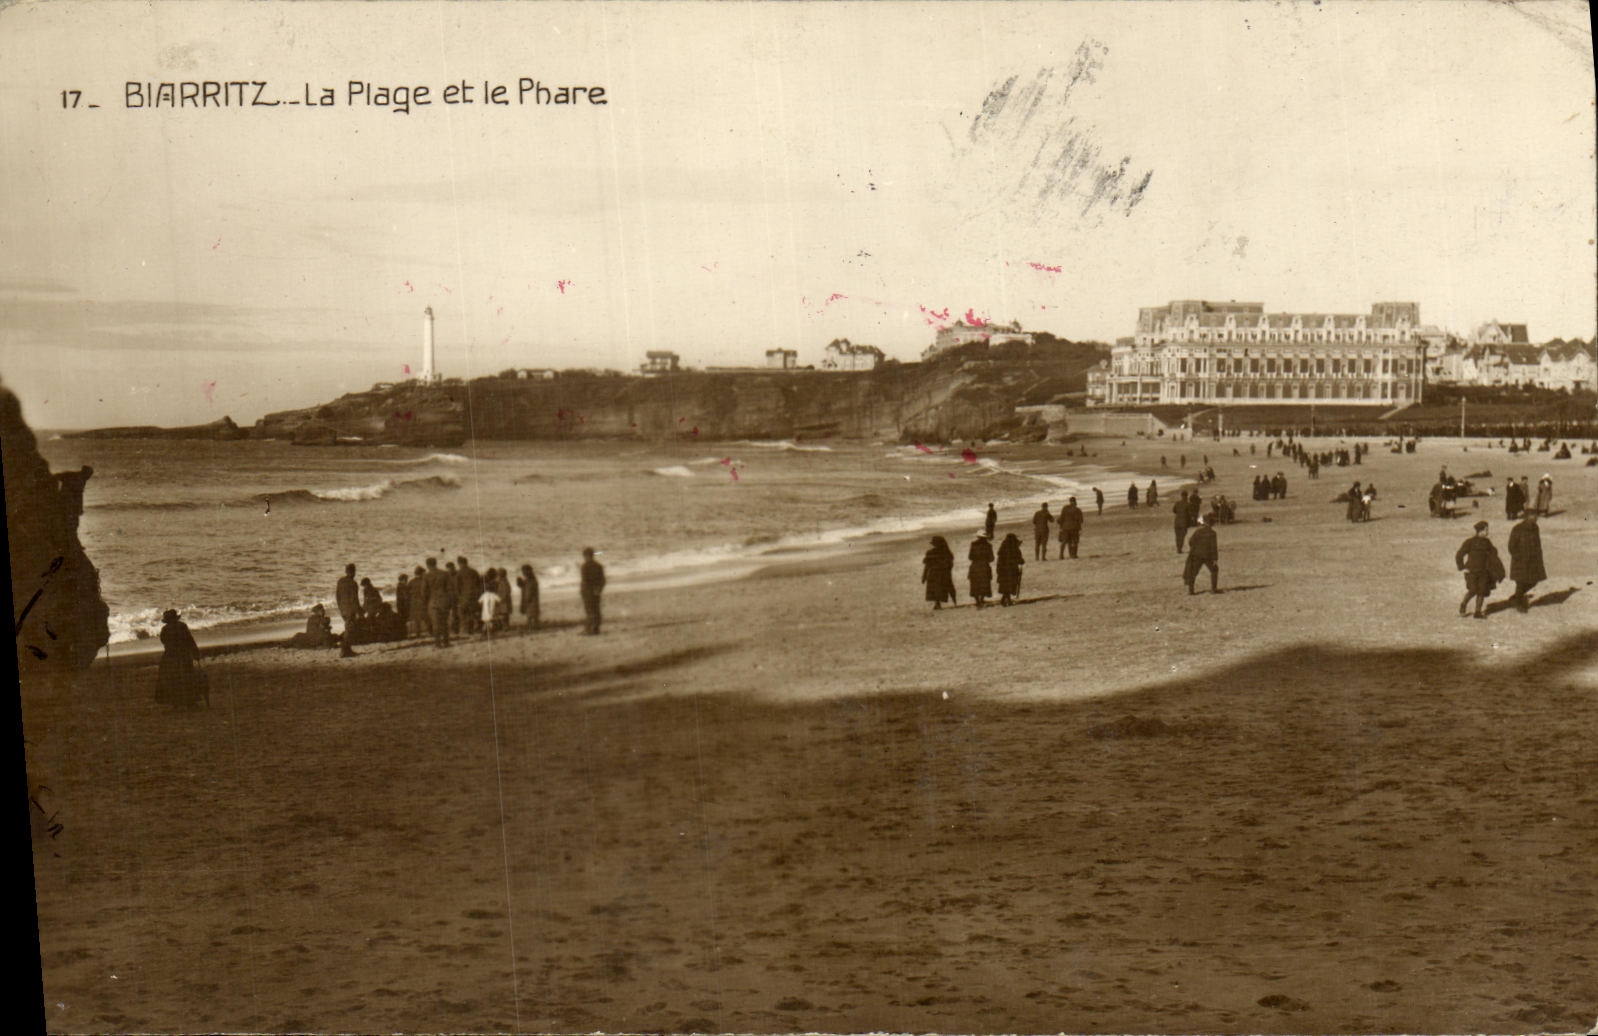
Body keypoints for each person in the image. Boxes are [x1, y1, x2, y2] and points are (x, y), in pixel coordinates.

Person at [156, 609, 206, 709]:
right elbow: (190, 640)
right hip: (183, 655)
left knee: (171, 679)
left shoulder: (165, 629)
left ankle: (175, 703)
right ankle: (190, 702)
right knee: (187, 678)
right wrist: (195, 653)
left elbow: (163, 641)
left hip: (170, 656)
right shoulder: (182, 626)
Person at [1455, 520, 1504, 619]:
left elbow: (1493, 554)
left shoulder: (1487, 542)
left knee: (1482, 590)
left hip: (1484, 571)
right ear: (1480, 531)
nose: (1487, 532)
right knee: (1473, 590)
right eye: (1486, 530)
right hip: (1472, 571)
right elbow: (1459, 555)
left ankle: (1478, 612)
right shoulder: (1470, 542)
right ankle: (1463, 604)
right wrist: (1462, 567)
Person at [1507, 511, 1545, 612]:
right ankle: (1519, 604)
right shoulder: (1517, 529)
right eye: (1533, 516)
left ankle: (1516, 597)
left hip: (1533, 560)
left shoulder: (1535, 528)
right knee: (1521, 582)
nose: (1536, 518)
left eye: (1536, 516)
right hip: (1521, 561)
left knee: (1534, 581)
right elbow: (1511, 546)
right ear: (1527, 517)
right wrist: (1518, 557)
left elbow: (1538, 544)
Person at [1183, 515, 1220, 595]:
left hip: (1196, 555)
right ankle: (1214, 589)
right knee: (1214, 570)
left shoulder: (1198, 531)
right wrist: (1215, 559)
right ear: (1212, 524)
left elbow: (1191, 542)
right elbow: (1214, 547)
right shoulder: (1213, 533)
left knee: (1193, 572)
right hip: (1208, 556)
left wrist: (1195, 549)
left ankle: (1191, 591)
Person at [425, 556, 454, 647]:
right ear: (436, 563)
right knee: (444, 622)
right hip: (444, 601)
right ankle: (446, 642)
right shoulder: (444, 574)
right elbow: (450, 589)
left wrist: (426, 602)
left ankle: (437, 643)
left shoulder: (426, 576)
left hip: (433, 601)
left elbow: (424, 592)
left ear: (428, 565)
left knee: (435, 623)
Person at [921, 536, 957, 610]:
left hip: (933, 573)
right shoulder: (947, 552)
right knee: (946, 588)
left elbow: (927, 565)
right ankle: (954, 602)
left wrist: (924, 576)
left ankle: (938, 604)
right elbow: (950, 565)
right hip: (944, 573)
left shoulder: (930, 552)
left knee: (935, 589)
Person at [580, 547, 607, 634]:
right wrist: (599, 589)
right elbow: (603, 580)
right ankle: (596, 628)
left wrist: (583, 590)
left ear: (586, 556)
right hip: (596, 590)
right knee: (596, 609)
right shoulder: (599, 566)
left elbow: (585, 580)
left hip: (587, 591)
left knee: (589, 610)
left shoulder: (584, 566)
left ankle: (589, 628)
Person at [456, 556, 483, 635]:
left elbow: (458, 587)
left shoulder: (459, 572)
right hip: (474, 596)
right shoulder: (474, 571)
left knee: (464, 613)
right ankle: (474, 629)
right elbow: (479, 584)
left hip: (464, 596)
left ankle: (466, 630)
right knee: (472, 613)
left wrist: (459, 597)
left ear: (460, 564)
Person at [996, 533, 1024, 606]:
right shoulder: (1015, 548)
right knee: (1010, 585)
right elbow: (1020, 560)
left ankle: (1004, 600)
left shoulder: (1003, 547)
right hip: (1012, 570)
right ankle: (1007, 600)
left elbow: (999, 558)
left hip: (1002, 569)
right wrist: (1021, 561)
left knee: (1005, 585)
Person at [968, 533, 994, 606]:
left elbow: (970, 557)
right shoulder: (988, 546)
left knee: (975, 584)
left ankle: (977, 601)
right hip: (984, 566)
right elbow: (992, 558)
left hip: (975, 566)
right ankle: (981, 599)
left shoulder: (973, 544)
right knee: (985, 583)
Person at [335, 563, 360, 635]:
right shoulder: (353, 583)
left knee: (348, 625)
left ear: (346, 571)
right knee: (351, 627)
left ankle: (347, 639)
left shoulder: (340, 581)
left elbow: (337, 596)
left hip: (342, 608)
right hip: (351, 609)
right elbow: (354, 599)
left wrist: (340, 608)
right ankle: (347, 641)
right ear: (354, 572)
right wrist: (358, 610)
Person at [517, 564, 541, 629]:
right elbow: (524, 586)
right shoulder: (530, 579)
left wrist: (527, 598)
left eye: (524, 571)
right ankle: (533, 625)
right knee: (531, 613)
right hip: (531, 599)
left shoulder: (531, 580)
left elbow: (529, 589)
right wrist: (519, 583)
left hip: (531, 599)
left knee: (531, 613)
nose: (523, 573)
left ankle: (533, 625)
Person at [409, 565, 430, 638]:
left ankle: (418, 634)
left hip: (414, 602)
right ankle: (431, 632)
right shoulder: (423, 581)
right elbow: (427, 591)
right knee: (426, 617)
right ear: (421, 573)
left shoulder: (411, 582)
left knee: (417, 619)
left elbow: (408, 593)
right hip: (422, 601)